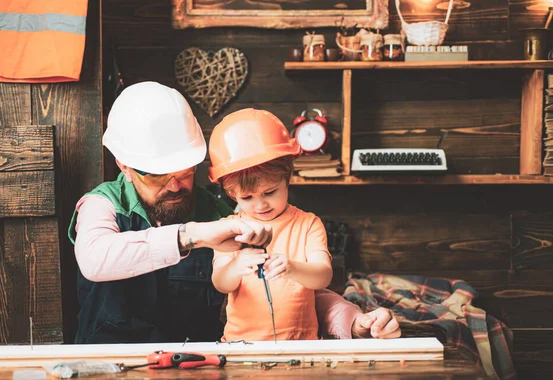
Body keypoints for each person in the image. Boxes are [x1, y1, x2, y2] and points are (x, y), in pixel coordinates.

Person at [68, 81, 401, 344]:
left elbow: (289, 293)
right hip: (109, 368)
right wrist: (193, 236)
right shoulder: (103, 206)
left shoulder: (222, 213)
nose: (175, 186)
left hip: (197, 368)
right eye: (158, 175)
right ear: (124, 165)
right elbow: (95, 259)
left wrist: (353, 321)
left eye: (185, 171)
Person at [209, 108, 333, 341]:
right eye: (247, 198)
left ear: (287, 178)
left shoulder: (307, 224)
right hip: (241, 345)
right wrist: (235, 268)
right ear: (231, 194)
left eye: (270, 192)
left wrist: (293, 268)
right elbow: (220, 283)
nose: (260, 205)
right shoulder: (229, 229)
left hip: (301, 344)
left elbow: (323, 276)